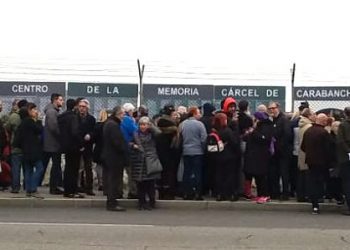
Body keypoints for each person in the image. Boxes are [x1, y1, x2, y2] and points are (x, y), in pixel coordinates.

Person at [301, 113, 333, 215]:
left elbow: (303, 147)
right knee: (321, 181)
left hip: (310, 161)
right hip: (322, 161)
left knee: (312, 181)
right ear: (323, 121)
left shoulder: (308, 131)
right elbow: (328, 149)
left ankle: (314, 204)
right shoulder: (324, 133)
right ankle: (322, 198)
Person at [130, 116, 162, 210]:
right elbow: (129, 143)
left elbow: (159, 133)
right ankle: (141, 202)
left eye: (145, 124)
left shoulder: (152, 134)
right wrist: (133, 145)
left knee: (150, 184)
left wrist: (151, 126)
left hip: (150, 160)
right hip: (139, 161)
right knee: (140, 185)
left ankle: (152, 202)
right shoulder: (135, 134)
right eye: (141, 125)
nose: (143, 127)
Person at [15, 103, 44, 198]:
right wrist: (39, 120)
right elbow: (40, 130)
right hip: (34, 150)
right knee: (40, 168)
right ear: (29, 111)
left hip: (25, 150)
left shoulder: (22, 123)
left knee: (28, 170)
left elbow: (17, 139)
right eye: (34, 109)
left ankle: (28, 190)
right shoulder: (30, 122)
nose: (36, 111)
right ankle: (33, 188)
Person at [243, 111, 274, 203]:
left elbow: (264, 138)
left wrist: (253, 133)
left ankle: (265, 195)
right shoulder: (258, 127)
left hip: (261, 155)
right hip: (255, 155)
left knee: (262, 176)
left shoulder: (266, 127)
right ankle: (260, 194)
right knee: (258, 176)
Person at [102, 106, 127, 212]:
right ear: (118, 114)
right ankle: (112, 203)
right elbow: (117, 142)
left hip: (109, 156)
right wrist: (125, 148)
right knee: (114, 180)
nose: (124, 116)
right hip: (114, 157)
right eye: (123, 114)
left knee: (111, 179)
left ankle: (112, 201)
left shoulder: (109, 123)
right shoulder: (113, 125)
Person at [211, 113, 241, 201]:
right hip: (229, 156)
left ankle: (220, 194)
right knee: (229, 175)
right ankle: (230, 194)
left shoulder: (214, 131)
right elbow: (234, 143)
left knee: (219, 175)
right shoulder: (227, 131)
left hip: (217, 156)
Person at [58, 99, 84, 198]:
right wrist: (81, 144)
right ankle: (72, 191)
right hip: (74, 146)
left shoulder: (61, 117)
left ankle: (67, 190)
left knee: (68, 168)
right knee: (74, 169)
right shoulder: (73, 117)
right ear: (75, 106)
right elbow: (75, 132)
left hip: (65, 145)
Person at [180, 107, 207, 200]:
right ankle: (198, 194)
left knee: (186, 172)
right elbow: (204, 139)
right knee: (197, 173)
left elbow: (180, 138)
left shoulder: (183, 124)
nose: (200, 114)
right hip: (197, 151)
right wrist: (203, 149)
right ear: (194, 114)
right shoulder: (200, 125)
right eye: (198, 113)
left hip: (186, 151)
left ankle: (186, 193)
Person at [267, 101, 292, 200]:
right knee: (274, 173)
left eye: (273, 108)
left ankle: (285, 193)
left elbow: (287, 135)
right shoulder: (272, 120)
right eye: (270, 109)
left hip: (283, 152)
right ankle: (275, 193)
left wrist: (279, 146)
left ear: (278, 108)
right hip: (274, 153)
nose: (272, 110)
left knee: (284, 173)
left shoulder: (283, 120)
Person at [156, 104, 180, 200]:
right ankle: (169, 193)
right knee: (170, 174)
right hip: (171, 156)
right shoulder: (174, 134)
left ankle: (162, 192)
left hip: (161, 155)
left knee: (162, 175)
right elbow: (176, 146)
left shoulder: (159, 134)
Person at [41, 93, 64, 194]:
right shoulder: (52, 112)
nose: (62, 102)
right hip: (53, 144)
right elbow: (54, 127)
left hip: (50, 143)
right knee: (55, 166)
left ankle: (54, 186)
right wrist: (62, 136)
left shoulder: (52, 111)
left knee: (49, 165)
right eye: (61, 100)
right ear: (55, 100)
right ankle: (53, 187)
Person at [4, 99, 28, 193]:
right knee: (27, 168)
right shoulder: (29, 116)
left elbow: (7, 128)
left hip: (15, 146)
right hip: (26, 147)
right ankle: (27, 187)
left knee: (16, 168)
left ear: (17, 106)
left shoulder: (13, 116)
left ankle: (15, 188)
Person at [77, 99, 96, 196]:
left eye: (83, 107)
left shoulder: (91, 119)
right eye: (80, 106)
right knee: (78, 168)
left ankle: (89, 188)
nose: (81, 108)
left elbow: (94, 131)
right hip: (78, 146)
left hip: (88, 146)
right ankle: (78, 186)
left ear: (87, 108)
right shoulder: (75, 118)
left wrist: (90, 135)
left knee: (88, 168)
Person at [121, 103, 138, 199]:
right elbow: (135, 130)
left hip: (121, 147)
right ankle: (133, 191)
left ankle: (119, 191)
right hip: (129, 147)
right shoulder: (129, 120)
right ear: (129, 111)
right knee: (131, 172)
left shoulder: (121, 119)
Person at [297, 108, 315, 202]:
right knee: (307, 176)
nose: (314, 116)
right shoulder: (309, 127)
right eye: (313, 114)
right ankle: (307, 195)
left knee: (302, 176)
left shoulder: (301, 125)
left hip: (301, 153)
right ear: (308, 116)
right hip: (307, 154)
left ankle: (301, 195)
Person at [337, 107, 350, 215]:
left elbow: (340, 141)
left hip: (345, 158)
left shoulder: (342, 125)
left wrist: (348, 151)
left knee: (347, 182)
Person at [93, 109, 108, 192]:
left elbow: (94, 137)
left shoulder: (97, 125)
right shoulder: (108, 125)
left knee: (98, 166)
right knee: (106, 166)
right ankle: (105, 182)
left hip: (98, 147)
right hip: (106, 148)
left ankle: (100, 182)